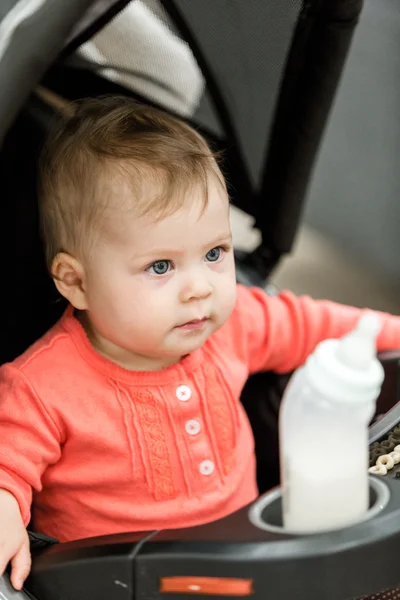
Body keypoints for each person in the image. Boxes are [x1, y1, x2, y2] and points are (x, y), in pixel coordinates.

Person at [1, 96, 400, 590]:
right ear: (76, 282)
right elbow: (6, 464)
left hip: (252, 562)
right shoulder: (42, 386)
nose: (199, 287)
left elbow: (320, 324)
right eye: (161, 267)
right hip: (124, 582)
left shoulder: (233, 325)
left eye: (214, 252)